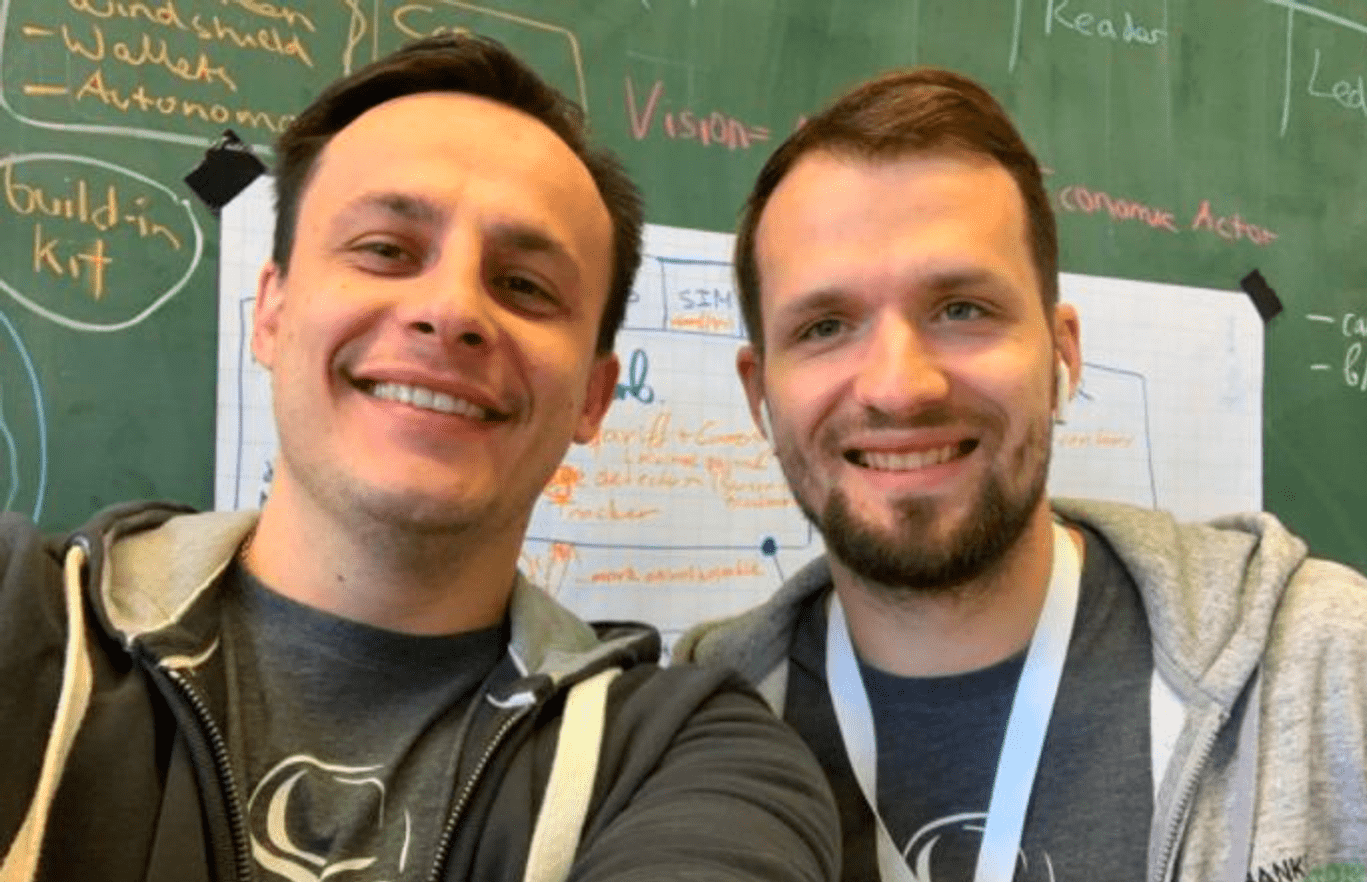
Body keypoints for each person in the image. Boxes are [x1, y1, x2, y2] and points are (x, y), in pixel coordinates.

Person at [0, 35, 839, 882]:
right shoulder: (19, 615)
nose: (450, 309)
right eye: (385, 249)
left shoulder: (685, 758)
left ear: (592, 396)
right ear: (272, 314)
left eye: (524, 285)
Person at [676, 67, 1367, 882]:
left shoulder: (1328, 661)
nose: (899, 386)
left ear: (1060, 353)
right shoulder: (688, 735)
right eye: (825, 326)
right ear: (760, 393)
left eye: (961, 308)